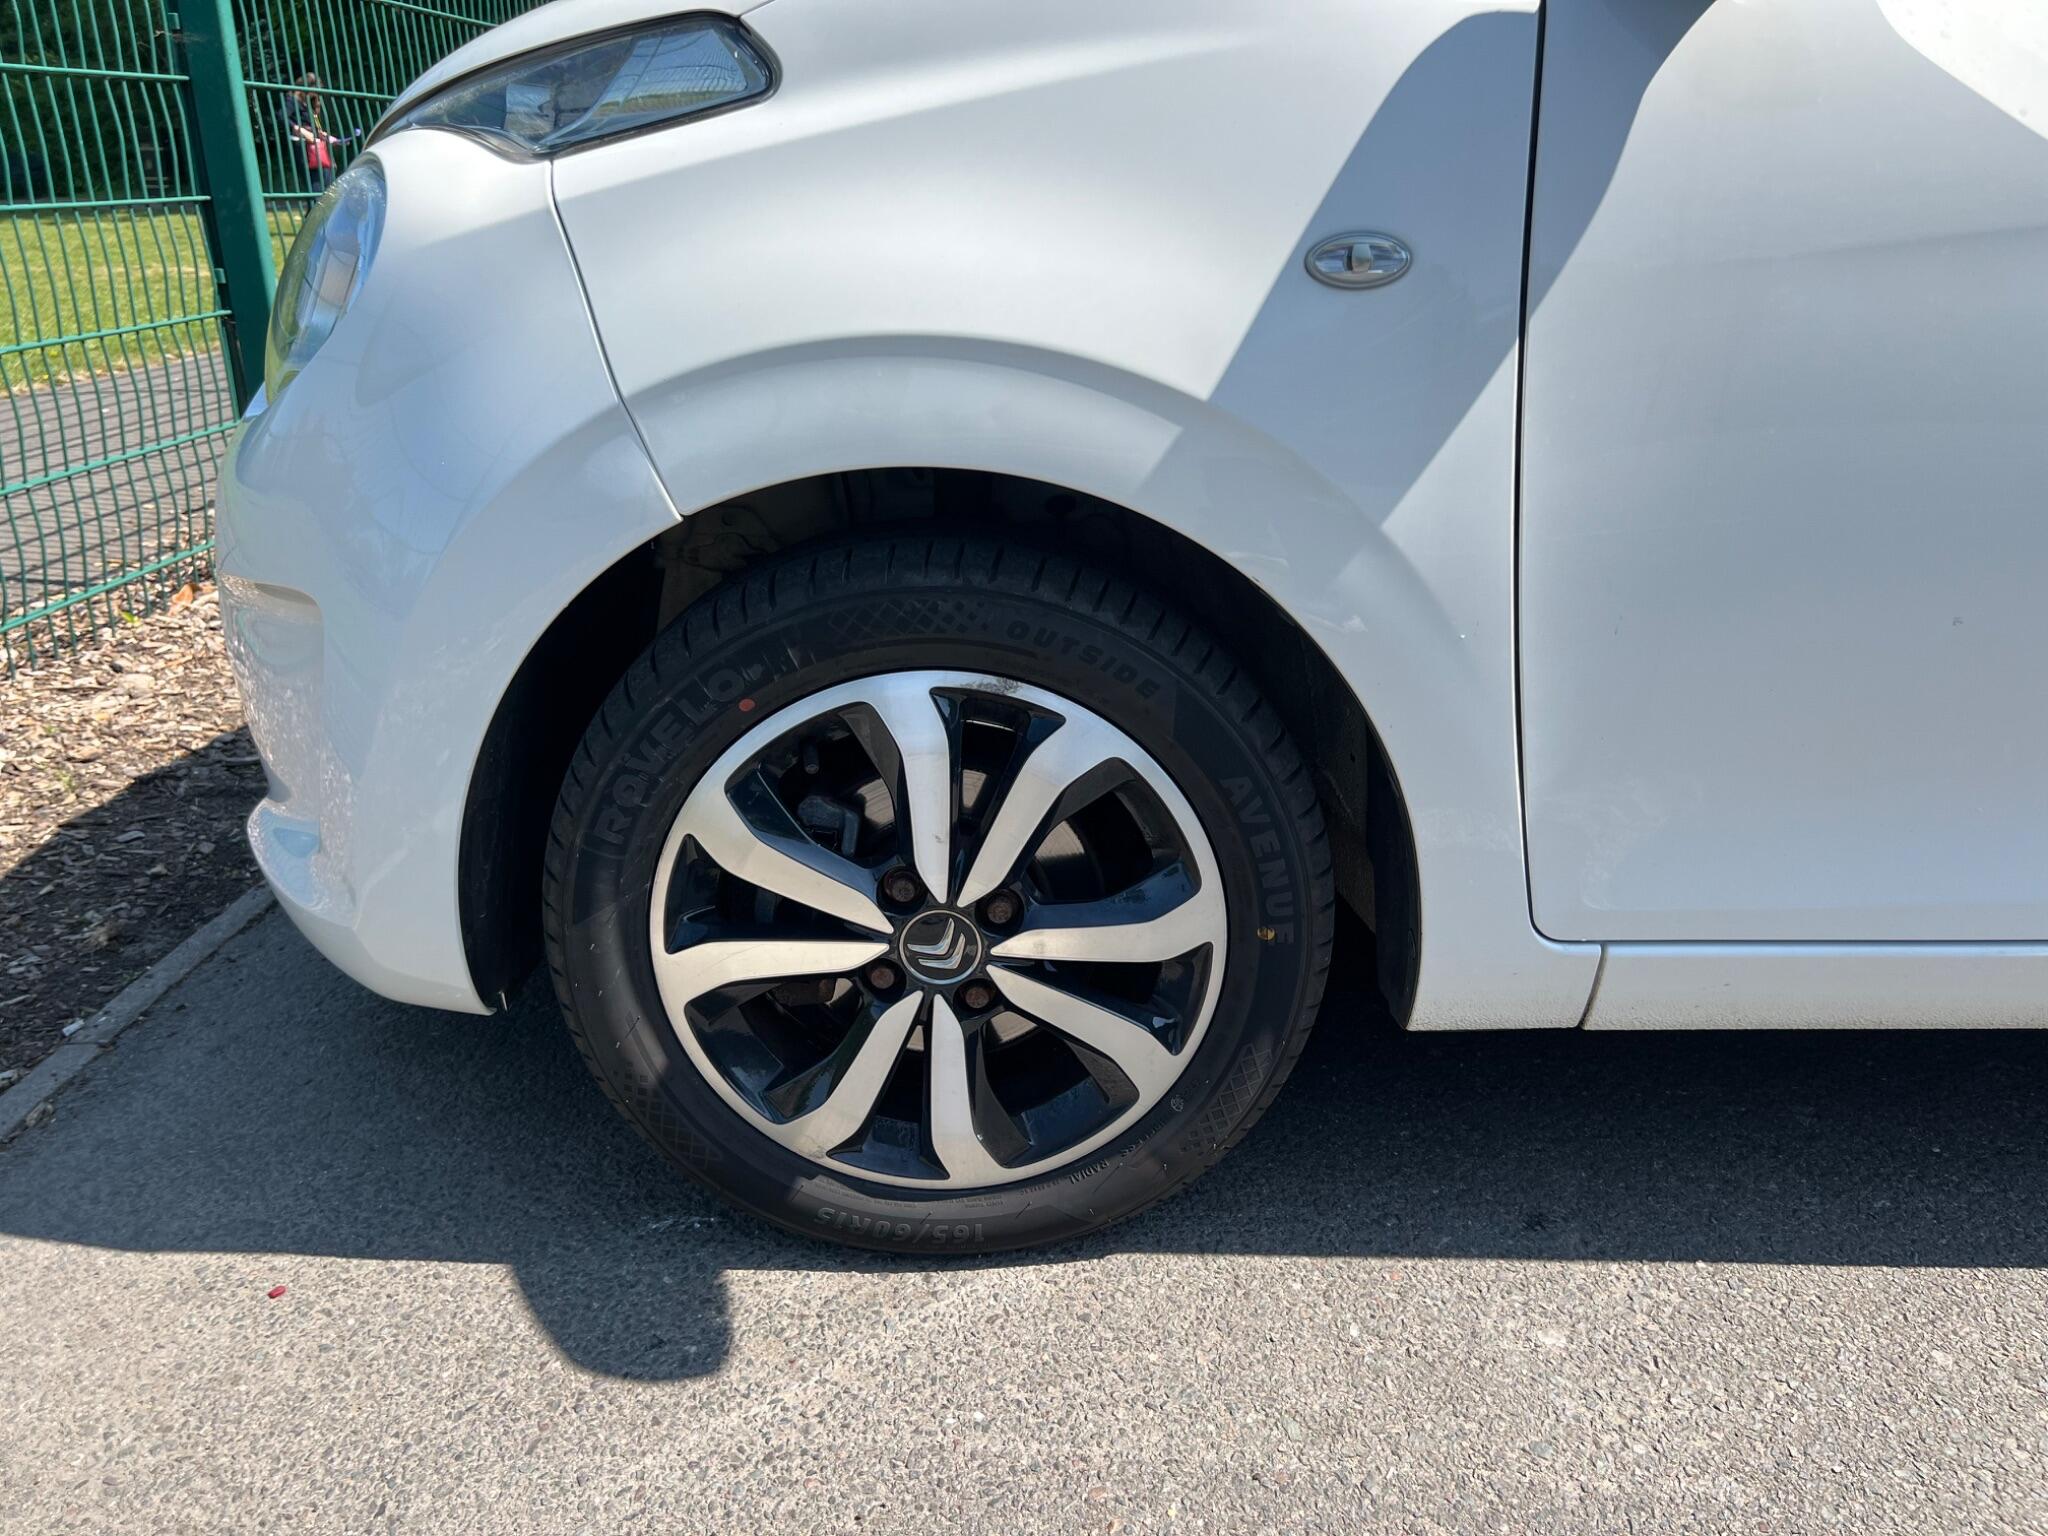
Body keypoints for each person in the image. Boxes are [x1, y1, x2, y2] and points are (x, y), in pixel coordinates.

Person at [282, 72, 345, 192]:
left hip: (317, 145)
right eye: (315, 89)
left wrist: (323, 134)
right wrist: (297, 128)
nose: (316, 93)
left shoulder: (309, 102)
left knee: (328, 178)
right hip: (303, 146)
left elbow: (315, 122)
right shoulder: (293, 100)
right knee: (316, 184)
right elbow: (281, 116)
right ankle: (315, 202)